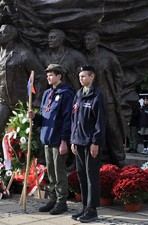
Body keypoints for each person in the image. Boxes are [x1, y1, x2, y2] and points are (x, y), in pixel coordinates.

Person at [0, 15, 47, 150]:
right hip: (4, 101)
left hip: (22, 101)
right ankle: (7, 160)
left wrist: (36, 99)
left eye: (3, 32)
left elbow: (40, 76)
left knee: (26, 133)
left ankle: (30, 162)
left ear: (12, 36)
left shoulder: (24, 54)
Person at [27, 64, 74, 215]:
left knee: (59, 173)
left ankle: (62, 202)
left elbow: (67, 120)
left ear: (59, 76)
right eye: (47, 75)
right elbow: (45, 118)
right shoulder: (47, 93)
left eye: (51, 75)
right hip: (47, 138)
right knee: (51, 174)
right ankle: (53, 199)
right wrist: (35, 117)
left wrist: (64, 141)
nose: (48, 77)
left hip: (58, 139)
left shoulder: (66, 94)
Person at [83, 31, 125, 166]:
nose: (87, 42)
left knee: (112, 129)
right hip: (89, 99)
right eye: (86, 39)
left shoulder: (108, 57)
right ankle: (98, 159)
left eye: (90, 39)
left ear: (97, 41)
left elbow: (118, 75)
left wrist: (117, 93)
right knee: (92, 129)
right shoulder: (83, 58)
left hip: (107, 99)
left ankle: (119, 159)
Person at [70, 65, 106, 223]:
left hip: (90, 143)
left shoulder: (97, 95)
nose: (81, 79)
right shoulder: (78, 94)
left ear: (92, 77)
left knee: (92, 176)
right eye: (80, 76)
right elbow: (74, 120)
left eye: (84, 76)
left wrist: (95, 142)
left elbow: (100, 121)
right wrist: (73, 139)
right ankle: (85, 206)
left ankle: (92, 210)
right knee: (82, 175)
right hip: (78, 142)